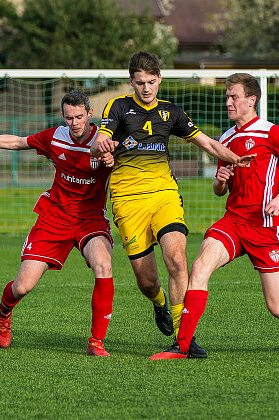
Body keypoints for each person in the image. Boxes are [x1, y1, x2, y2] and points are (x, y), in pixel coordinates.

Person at [150, 72, 279, 360]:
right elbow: (218, 190)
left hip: (265, 227)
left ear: (252, 100)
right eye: (226, 96)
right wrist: (221, 180)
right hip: (233, 222)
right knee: (199, 266)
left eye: (233, 96)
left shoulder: (270, 132)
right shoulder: (226, 138)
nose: (228, 101)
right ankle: (183, 345)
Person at [90, 51, 256, 358]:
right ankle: (160, 304)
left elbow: (205, 141)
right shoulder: (119, 107)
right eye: (140, 83)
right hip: (128, 202)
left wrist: (233, 158)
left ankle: (184, 337)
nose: (146, 89)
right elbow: (101, 137)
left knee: (178, 259)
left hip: (165, 194)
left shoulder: (171, 112)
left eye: (151, 82)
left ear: (159, 79)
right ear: (132, 82)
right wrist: (101, 143)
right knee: (146, 279)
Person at [0, 91, 115, 356]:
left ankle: (96, 341)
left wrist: (112, 161)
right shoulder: (54, 137)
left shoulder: (104, 140)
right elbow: (18, 142)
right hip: (55, 216)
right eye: (68, 118)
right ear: (63, 117)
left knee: (103, 263)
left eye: (79, 117)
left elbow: (127, 163)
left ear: (89, 114)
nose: (74, 123)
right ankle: (4, 313)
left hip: (90, 218)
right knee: (23, 286)